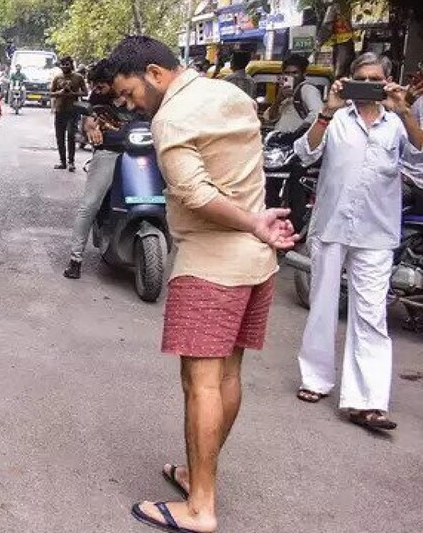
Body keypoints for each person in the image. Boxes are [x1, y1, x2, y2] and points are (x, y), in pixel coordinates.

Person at [105, 36, 297, 533]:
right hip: (257, 264)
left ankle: (200, 506)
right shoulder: (229, 94)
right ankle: (198, 475)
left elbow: (193, 192)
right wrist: (258, 225)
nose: (128, 105)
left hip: (213, 263)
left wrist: (252, 224)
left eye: (128, 93)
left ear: (154, 71)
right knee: (228, 375)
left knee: (201, 384)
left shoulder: (172, 118)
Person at [294, 53, 423, 431]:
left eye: (375, 79)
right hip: (332, 226)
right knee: (322, 305)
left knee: (371, 315)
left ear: (387, 81)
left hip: (376, 233)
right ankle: (315, 379)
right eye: (361, 79)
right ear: (348, 82)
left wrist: (406, 113)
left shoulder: (396, 123)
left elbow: (420, 158)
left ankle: (367, 401)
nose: (368, 86)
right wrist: (328, 111)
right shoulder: (336, 120)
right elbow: (306, 152)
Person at [63, 60, 137, 280]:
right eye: (94, 85)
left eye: (101, 85)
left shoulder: (138, 96)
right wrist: (91, 128)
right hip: (108, 152)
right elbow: (88, 120)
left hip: (141, 153)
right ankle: (75, 259)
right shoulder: (97, 99)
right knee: (89, 204)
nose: (96, 90)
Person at [262, 54, 325, 225]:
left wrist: (299, 132)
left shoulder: (306, 90)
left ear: (303, 74)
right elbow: (269, 117)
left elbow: (317, 113)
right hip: (279, 149)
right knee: (271, 186)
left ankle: (291, 223)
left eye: (295, 73)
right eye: (287, 73)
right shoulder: (285, 94)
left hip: (296, 148)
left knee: (290, 186)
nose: (291, 77)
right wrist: (279, 99)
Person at [50, 56, 88, 172]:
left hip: (73, 110)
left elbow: (85, 93)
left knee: (71, 136)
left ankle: (71, 162)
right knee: (59, 137)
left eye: (67, 64)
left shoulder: (78, 77)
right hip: (60, 110)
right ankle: (62, 161)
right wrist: (60, 92)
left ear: (71, 65)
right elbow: (51, 93)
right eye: (63, 64)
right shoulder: (57, 78)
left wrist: (73, 93)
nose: (65, 67)